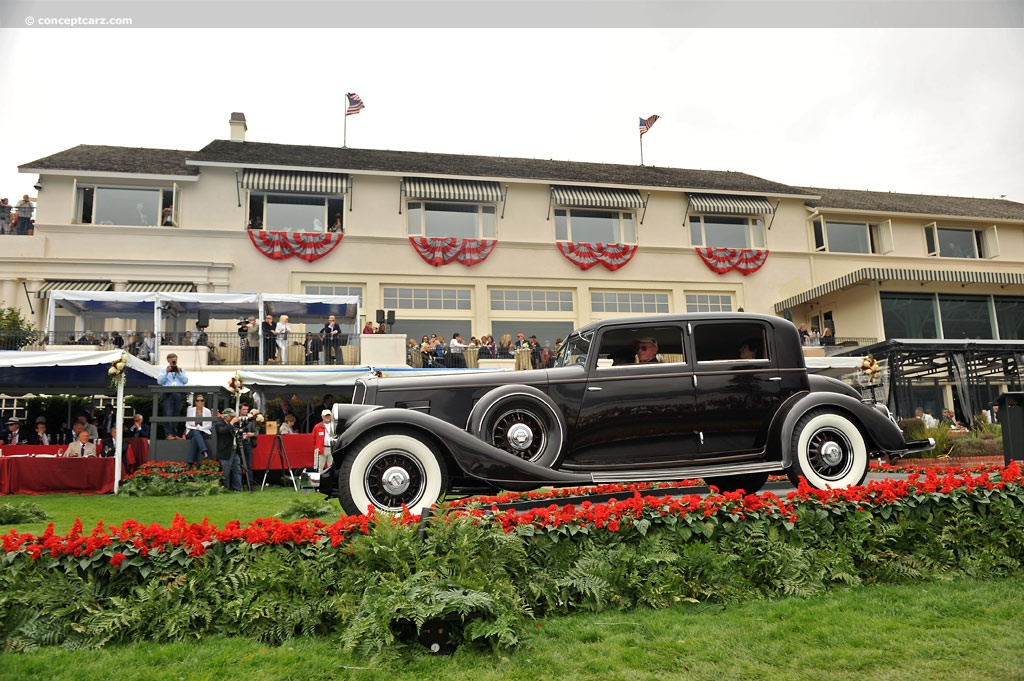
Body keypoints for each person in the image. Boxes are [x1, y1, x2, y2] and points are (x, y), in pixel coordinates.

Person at [157, 353, 188, 437]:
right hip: (168, 393)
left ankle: (174, 433)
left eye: (175, 359)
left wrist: (179, 372)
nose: (174, 361)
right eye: (172, 359)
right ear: (168, 360)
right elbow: (159, 381)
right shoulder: (163, 370)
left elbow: (185, 381)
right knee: (168, 413)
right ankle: (168, 433)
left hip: (178, 393)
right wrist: (167, 372)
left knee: (176, 413)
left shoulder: (181, 370)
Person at [212, 408, 242, 491]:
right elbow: (222, 431)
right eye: (231, 416)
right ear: (226, 416)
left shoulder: (232, 424)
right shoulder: (219, 424)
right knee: (226, 471)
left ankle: (238, 488)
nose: (233, 418)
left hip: (234, 450)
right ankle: (226, 488)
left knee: (237, 469)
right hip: (224, 452)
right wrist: (231, 423)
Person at [184, 395, 213, 466]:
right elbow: (187, 424)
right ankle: (203, 449)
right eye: (198, 400)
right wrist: (195, 428)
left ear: (204, 402)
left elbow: (209, 425)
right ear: (195, 402)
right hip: (192, 431)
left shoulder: (207, 411)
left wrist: (200, 428)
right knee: (195, 432)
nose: (200, 402)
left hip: (203, 432)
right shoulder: (191, 410)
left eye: (202, 400)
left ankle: (190, 463)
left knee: (195, 438)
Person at [237, 403, 258, 488]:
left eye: (246, 410)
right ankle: (240, 484)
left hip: (248, 443)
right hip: (239, 444)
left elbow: (255, 432)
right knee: (239, 465)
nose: (245, 411)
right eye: (244, 409)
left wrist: (252, 434)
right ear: (240, 410)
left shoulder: (250, 421)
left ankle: (250, 484)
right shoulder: (236, 419)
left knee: (249, 465)